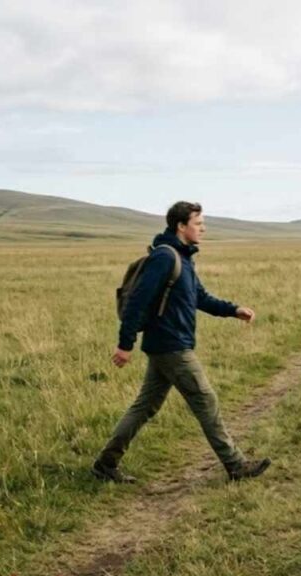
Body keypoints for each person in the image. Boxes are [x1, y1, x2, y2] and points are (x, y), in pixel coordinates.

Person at [92, 201, 271, 483]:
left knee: (144, 407)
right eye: (198, 224)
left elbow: (199, 297)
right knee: (205, 400)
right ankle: (236, 465)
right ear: (181, 226)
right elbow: (137, 302)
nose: (203, 229)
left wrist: (233, 310)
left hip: (169, 344)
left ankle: (105, 463)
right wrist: (125, 344)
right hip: (171, 345)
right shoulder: (165, 257)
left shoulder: (183, 258)